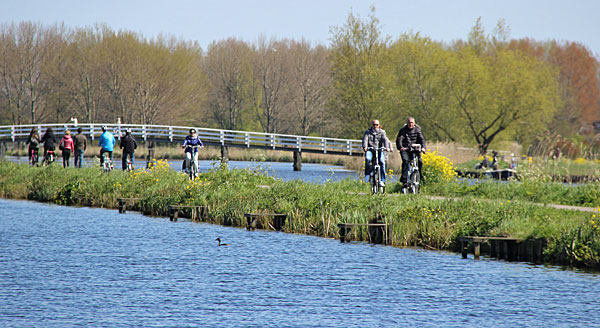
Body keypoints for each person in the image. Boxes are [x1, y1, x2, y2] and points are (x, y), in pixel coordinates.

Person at [396, 117, 426, 187]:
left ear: (414, 123)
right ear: (407, 123)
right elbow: (399, 139)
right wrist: (400, 147)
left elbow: (422, 139)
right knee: (406, 161)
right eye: (409, 123)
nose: (410, 124)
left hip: (415, 149)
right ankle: (404, 180)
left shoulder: (418, 130)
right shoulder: (403, 130)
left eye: (412, 123)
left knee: (420, 161)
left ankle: (420, 176)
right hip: (406, 149)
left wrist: (423, 148)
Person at [362, 119, 392, 186]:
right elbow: (365, 140)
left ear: (379, 125)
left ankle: (382, 180)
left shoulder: (382, 132)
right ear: (372, 125)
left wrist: (387, 147)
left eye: (377, 125)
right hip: (370, 150)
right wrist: (365, 147)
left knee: (382, 162)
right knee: (368, 159)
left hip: (379, 150)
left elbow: (385, 140)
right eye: (374, 125)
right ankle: (367, 175)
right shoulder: (367, 132)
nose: (375, 126)